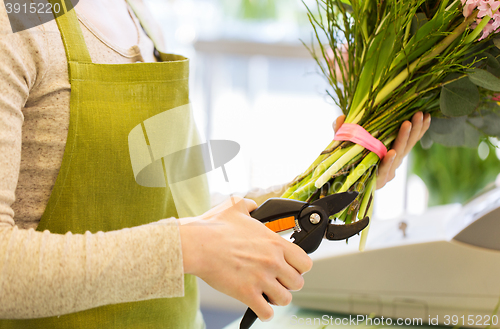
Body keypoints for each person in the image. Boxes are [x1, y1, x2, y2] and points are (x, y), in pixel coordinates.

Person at [0, 0, 431, 328]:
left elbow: (177, 206)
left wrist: (335, 180)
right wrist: (191, 246)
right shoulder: (14, 22)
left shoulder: (139, 16)